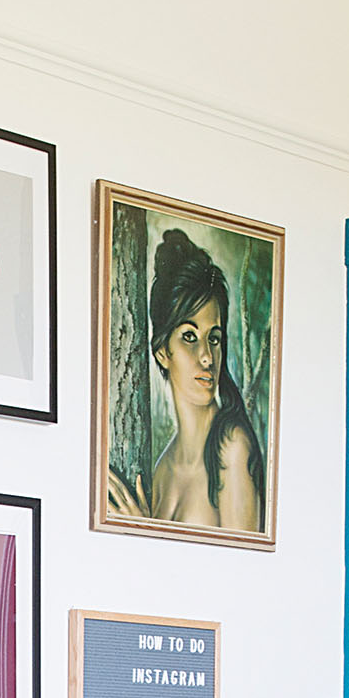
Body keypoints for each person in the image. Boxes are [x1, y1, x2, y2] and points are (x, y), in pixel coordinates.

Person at [106, 227, 265, 532]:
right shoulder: (162, 469)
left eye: (214, 338)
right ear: (163, 351)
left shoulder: (232, 448)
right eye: (190, 337)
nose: (207, 356)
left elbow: (244, 575)